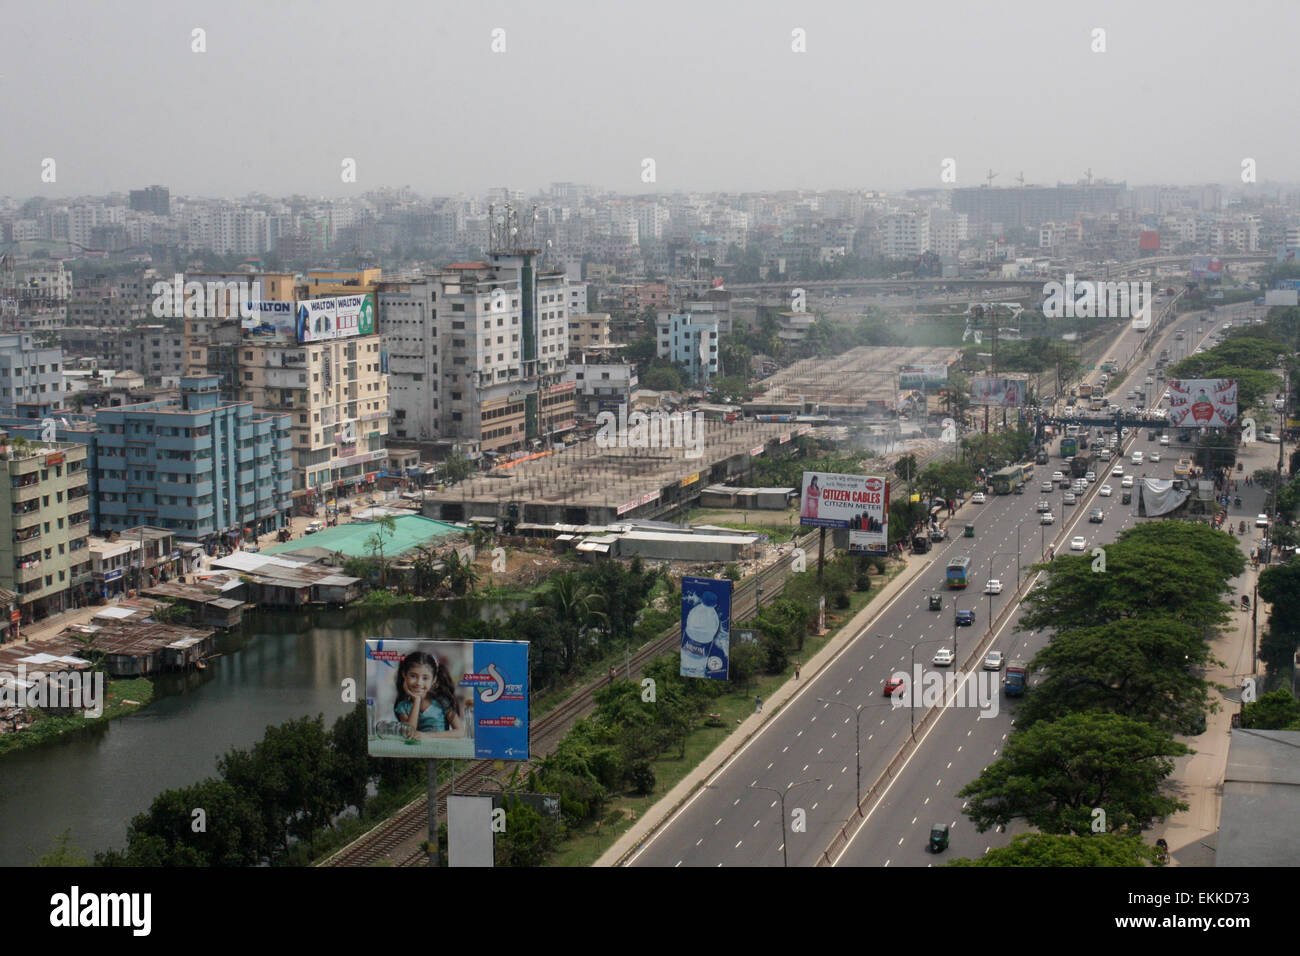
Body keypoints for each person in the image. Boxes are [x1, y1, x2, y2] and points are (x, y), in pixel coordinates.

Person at [394, 650, 465, 740]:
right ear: (404, 674)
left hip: (441, 750)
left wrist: (427, 736)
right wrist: (417, 700)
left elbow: (460, 732)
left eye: (425, 678)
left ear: (434, 680)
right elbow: (408, 734)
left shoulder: (442, 702)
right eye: (413, 676)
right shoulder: (403, 706)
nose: (419, 683)